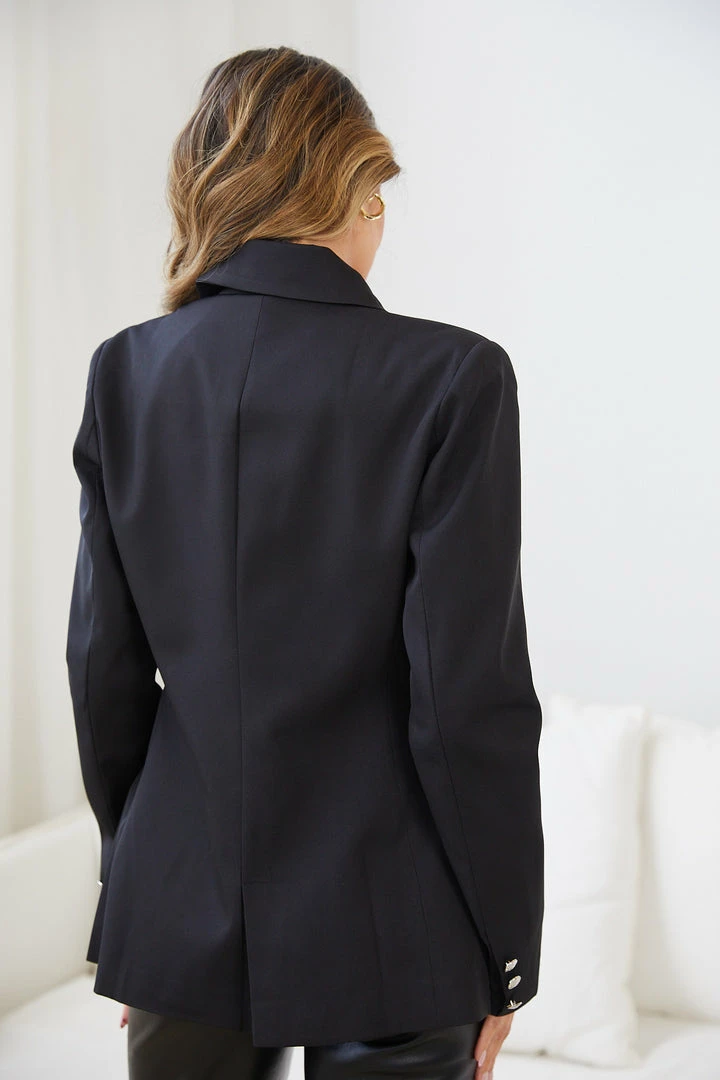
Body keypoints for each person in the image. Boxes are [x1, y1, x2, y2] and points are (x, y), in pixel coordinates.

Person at [66, 45, 544, 1080]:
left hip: (179, 903)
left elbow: (103, 670)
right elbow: (468, 699)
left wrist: (142, 893)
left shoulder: (126, 373)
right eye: (380, 194)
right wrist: (506, 953)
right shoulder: (452, 376)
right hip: (399, 922)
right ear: (355, 188)